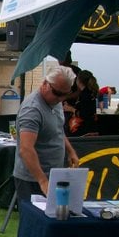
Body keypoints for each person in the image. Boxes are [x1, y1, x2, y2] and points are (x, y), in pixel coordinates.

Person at [13, 66, 80, 202]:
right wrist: (42, 181)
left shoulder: (55, 100)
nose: (60, 99)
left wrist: (70, 151)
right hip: (33, 179)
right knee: (34, 220)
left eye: (65, 94)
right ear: (45, 83)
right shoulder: (32, 110)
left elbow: (58, 129)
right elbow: (26, 149)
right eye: (57, 93)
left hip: (53, 174)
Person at [68, 70, 99, 136]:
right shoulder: (89, 93)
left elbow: (84, 114)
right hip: (90, 127)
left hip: (84, 130)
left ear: (78, 80)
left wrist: (70, 109)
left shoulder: (85, 95)